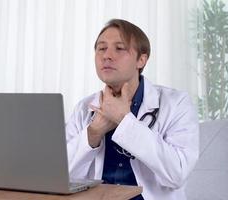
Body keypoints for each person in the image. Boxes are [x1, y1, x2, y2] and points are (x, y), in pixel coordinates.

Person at [65, 19, 199, 200]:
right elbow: (61, 176)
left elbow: (177, 174)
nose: (107, 56)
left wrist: (125, 121)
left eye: (119, 48)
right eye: (101, 48)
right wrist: (93, 133)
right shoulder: (84, 108)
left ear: (141, 60)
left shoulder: (176, 103)